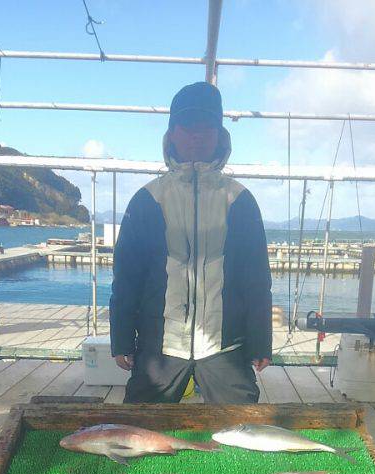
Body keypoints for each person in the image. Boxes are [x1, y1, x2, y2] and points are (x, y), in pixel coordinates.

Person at [110, 81, 272, 403]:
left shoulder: (240, 199)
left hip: (226, 345)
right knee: (140, 430)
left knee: (242, 431)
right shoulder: (147, 200)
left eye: (207, 126)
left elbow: (257, 278)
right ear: (171, 134)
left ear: (220, 136)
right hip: (160, 345)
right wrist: (121, 338)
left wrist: (260, 341)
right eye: (187, 126)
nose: (197, 135)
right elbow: (126, 276)